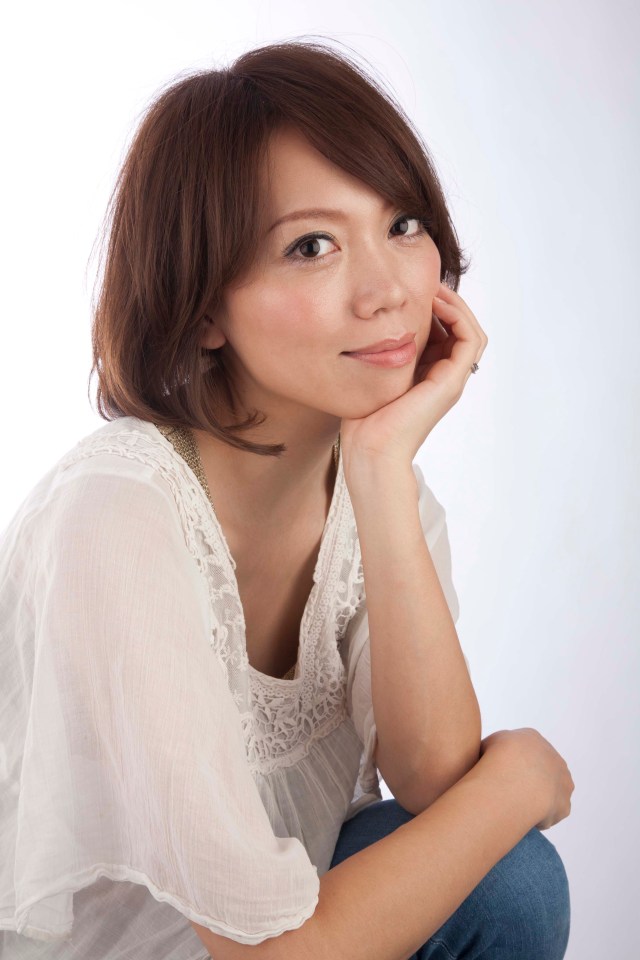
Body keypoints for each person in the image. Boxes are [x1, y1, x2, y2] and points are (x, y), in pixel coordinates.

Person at [0, 38, 573, 960]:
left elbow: (433, 779)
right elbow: (267, 955)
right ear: (203, 309)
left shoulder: (377, 484)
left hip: (305, 938)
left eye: (403, 224)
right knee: (503, 846)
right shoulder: (116, 514)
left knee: (507, 879)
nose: (388, 291)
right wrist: (520, 782)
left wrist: (380, 469)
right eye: (312, 246)